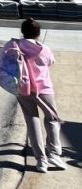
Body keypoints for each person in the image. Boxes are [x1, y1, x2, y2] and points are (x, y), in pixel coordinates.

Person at [13, 17, 65, 173]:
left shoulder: (16, 46)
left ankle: (41, 160)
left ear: (22, 32)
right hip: (44, 89)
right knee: (52, 119)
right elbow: (50, 63)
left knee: (32, 120)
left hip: (24, 88)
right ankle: (54, 153)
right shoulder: (44, 49)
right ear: (38, 33)